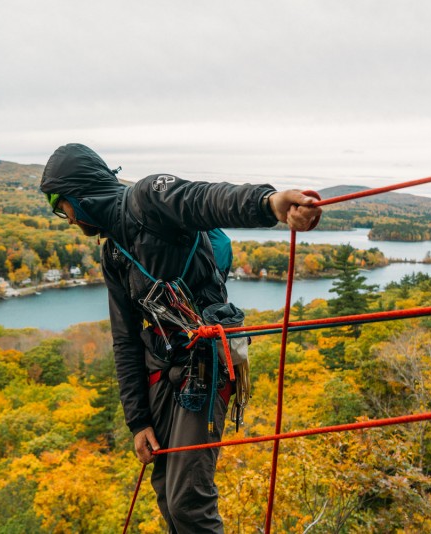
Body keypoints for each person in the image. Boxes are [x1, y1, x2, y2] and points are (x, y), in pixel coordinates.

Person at [40, 143, 321, 533]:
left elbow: (204, 200)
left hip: (204, 361)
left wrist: (269, 203)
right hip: (161, 369)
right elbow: (125, 339)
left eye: (60, 205)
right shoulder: (113, 254)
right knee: (165, 494)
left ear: (80, 195)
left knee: (188, 500)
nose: (65, 218)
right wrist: (138, 422)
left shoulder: (147, 198)